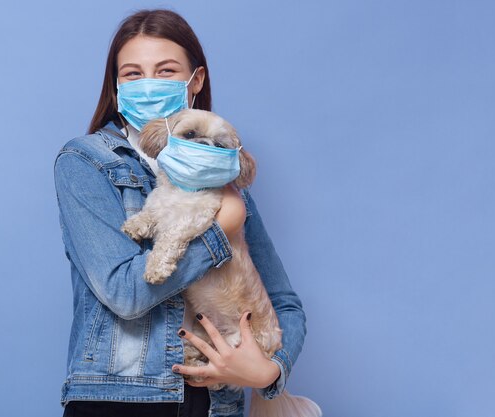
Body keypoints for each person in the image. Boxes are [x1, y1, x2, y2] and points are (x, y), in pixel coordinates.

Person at [54, 9, 307, 417]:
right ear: (116, 87)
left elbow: (284, 303)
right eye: (133, 74)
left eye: (166, 70)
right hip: (121, 399)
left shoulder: (225, 172)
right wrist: (219, 230)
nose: (149, 84)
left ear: (196, 81)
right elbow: (124, 293)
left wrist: (267, 374)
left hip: (214, 403)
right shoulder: (87, 162)